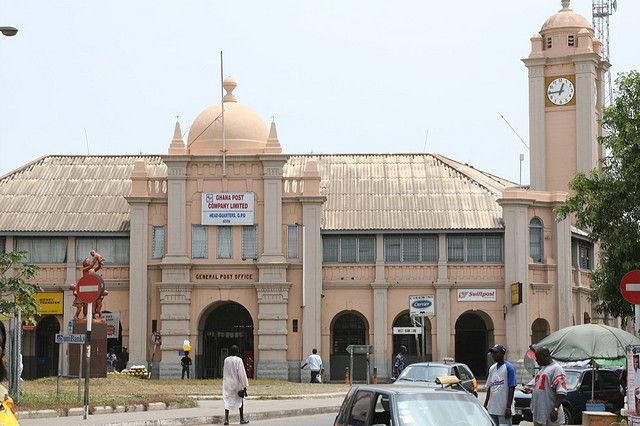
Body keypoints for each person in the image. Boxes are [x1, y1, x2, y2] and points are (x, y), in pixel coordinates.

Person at [531, 347, 567, 426]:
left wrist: (555, 409)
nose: (536, 360)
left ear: (544, 355)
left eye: (537, 357)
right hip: (539, 414)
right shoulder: (542, 369)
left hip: (550, 414)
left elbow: (561, 392)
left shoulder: (556, 368)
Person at [484, 344, 517, 426]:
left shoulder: (509, 368)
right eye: (492, 353)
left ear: (502, 353)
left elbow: (511, 388)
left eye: (496, 352)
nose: (493, 355)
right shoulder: (492, 368)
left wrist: (508, 407)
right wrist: (485, 405)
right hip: (492, 408)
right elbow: (490, 387)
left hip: (503, 409)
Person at [222, 345, 249, 425]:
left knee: (227, 401)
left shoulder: (226, 360)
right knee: (240, 400)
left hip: (227, 383)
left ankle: (226, 419)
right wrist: (244, 386)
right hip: (236, 383)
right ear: (237, 351)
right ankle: (241, 419)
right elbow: (241, 373)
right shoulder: (239, 360)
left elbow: (224, 371)